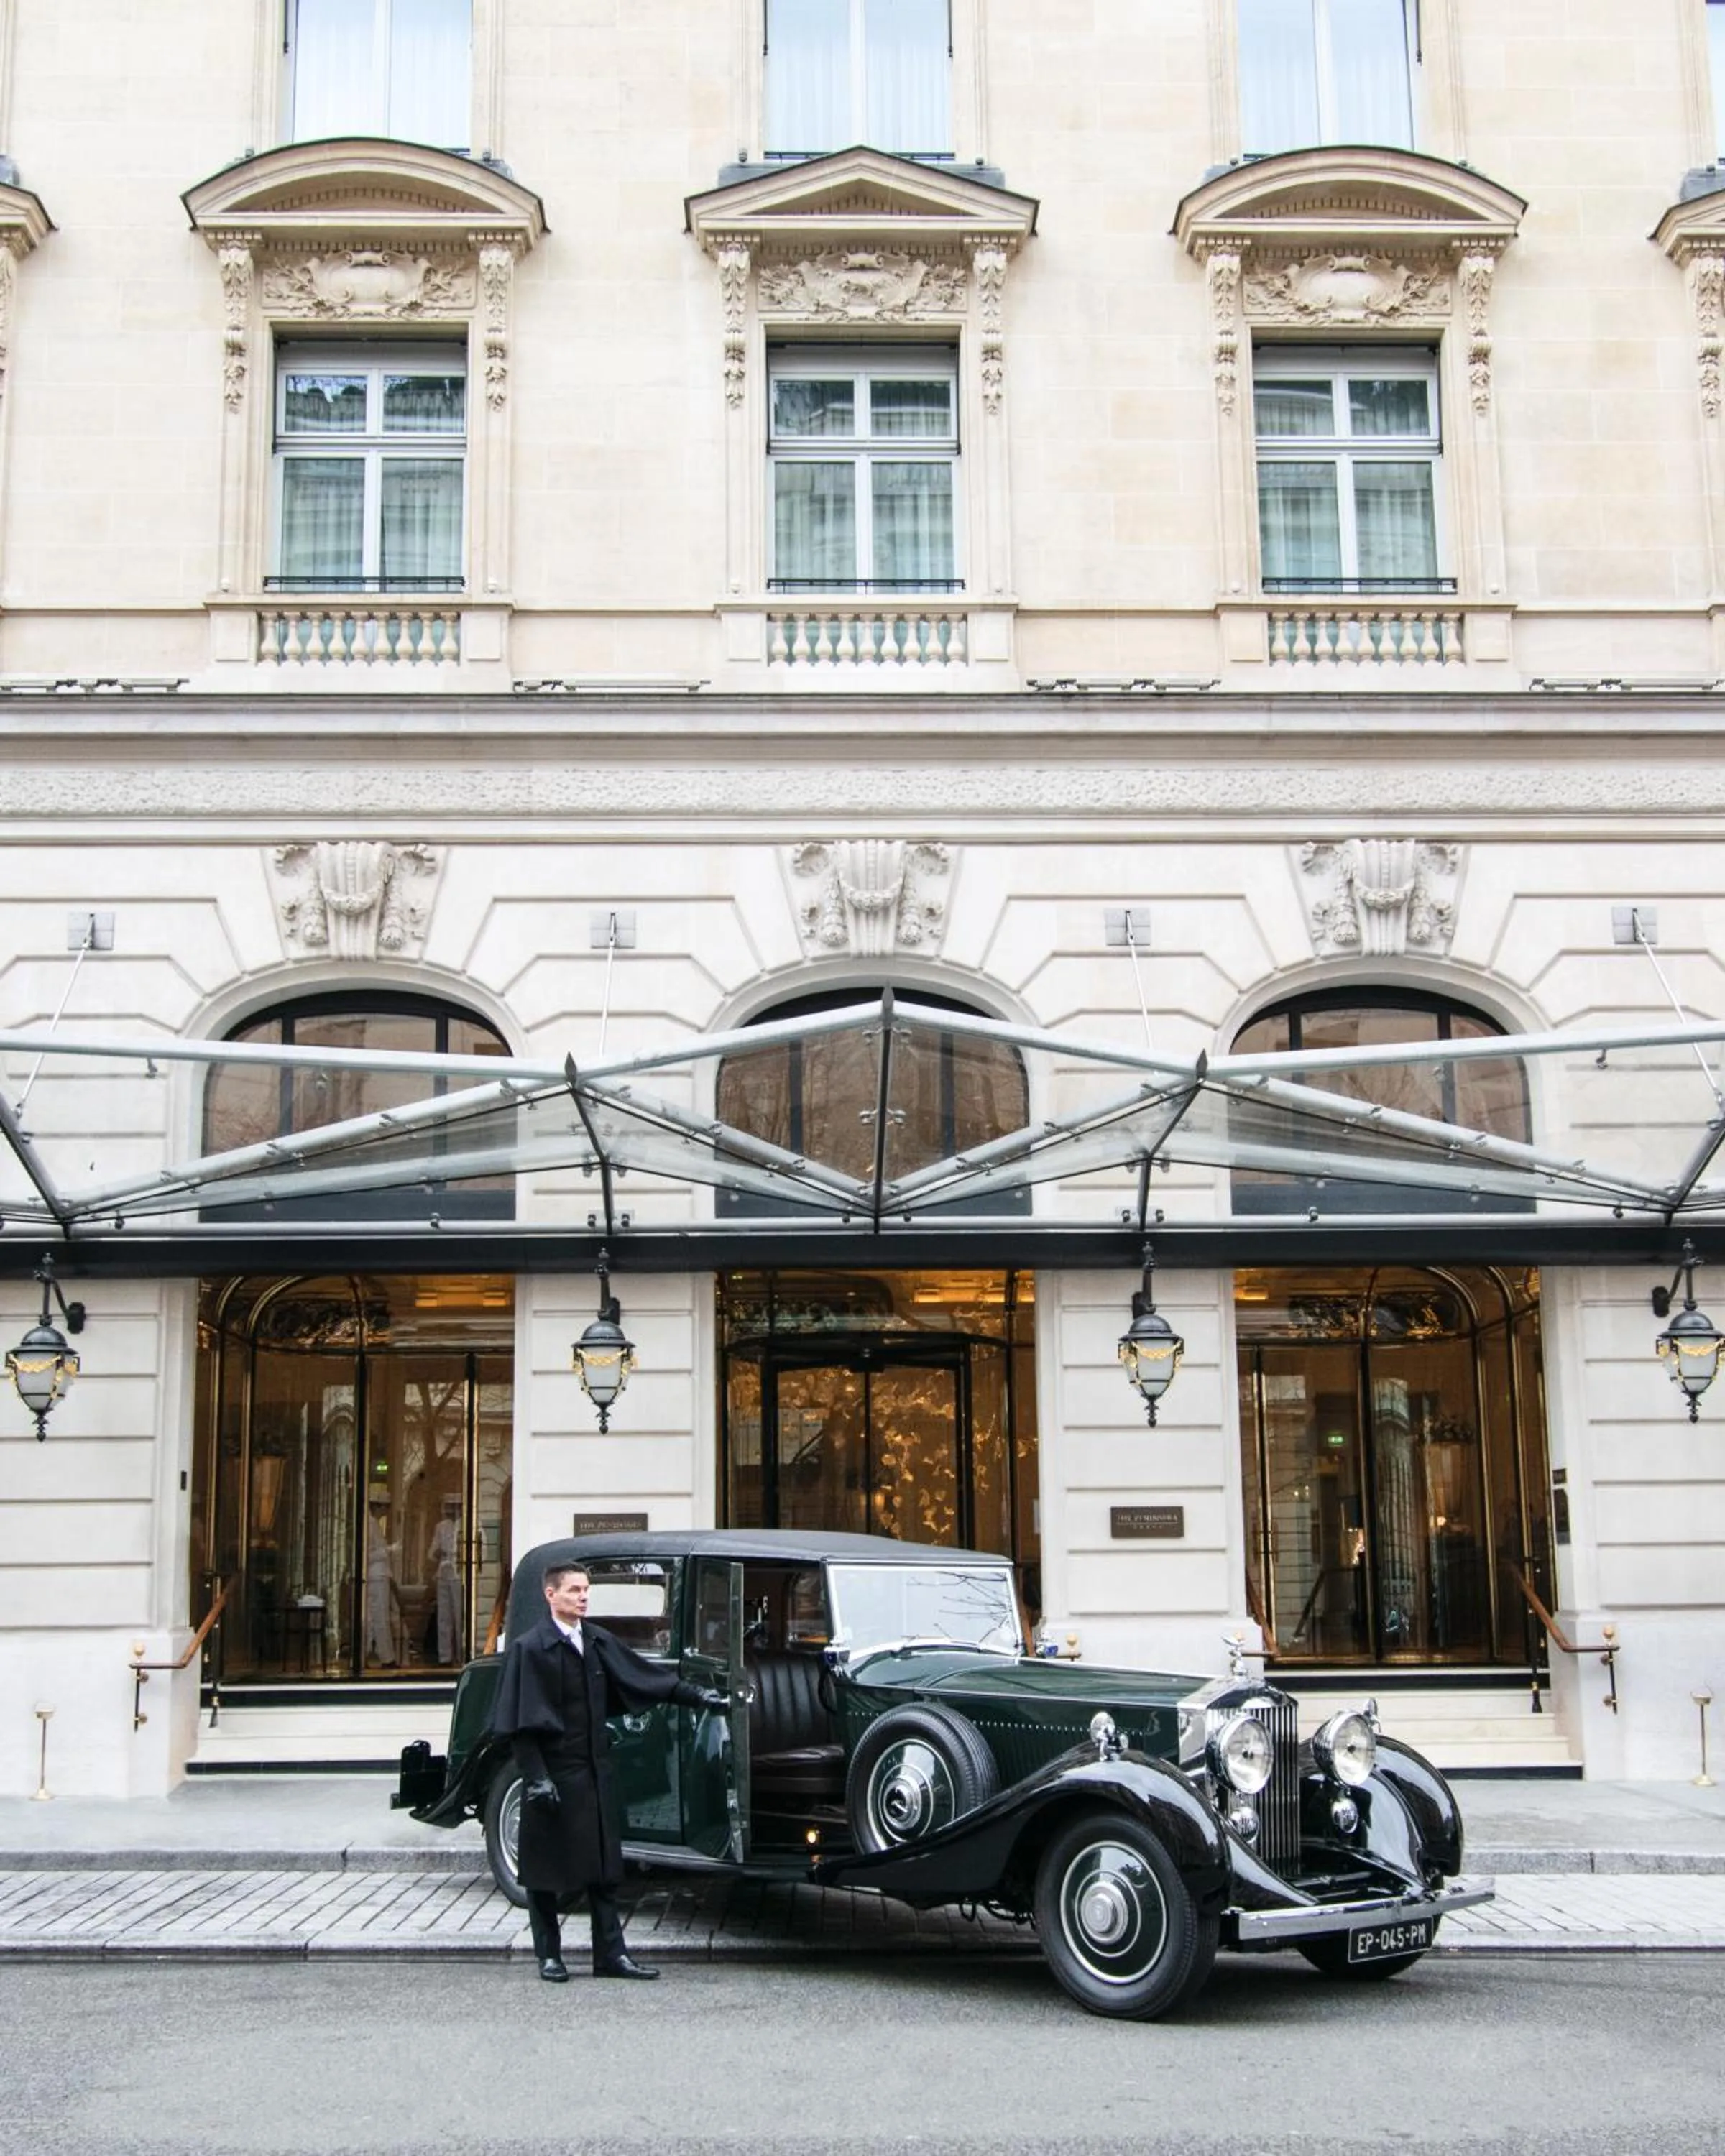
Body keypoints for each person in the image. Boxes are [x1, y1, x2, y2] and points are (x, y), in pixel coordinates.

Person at [489, 1559, 728, 1982]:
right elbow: (518, 1725)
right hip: (553, 1772)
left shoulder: (596, 1642)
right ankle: (549, 1955)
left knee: (603, 1871)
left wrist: (699, 1697)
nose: (583, 1598)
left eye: (586, 1591)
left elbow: (645, 1678)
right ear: (551, 1595)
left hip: (594, 1770)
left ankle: (611, 1957)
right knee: (545, 1873)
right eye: (574, 1591)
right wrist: (537, 1778)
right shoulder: (530, 1648)